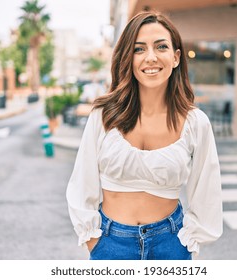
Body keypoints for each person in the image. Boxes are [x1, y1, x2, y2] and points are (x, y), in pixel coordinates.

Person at [66, 11, 223, 260]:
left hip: (171, 244)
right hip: (109, 244)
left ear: (175, 57)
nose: (151, 57)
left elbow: (207, 190)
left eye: (161, 46)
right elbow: (81, 182)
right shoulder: (104, 115)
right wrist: (93, 239)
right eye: (139, 49)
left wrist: (190, 240)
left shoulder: (195, 122)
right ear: (128, 58)